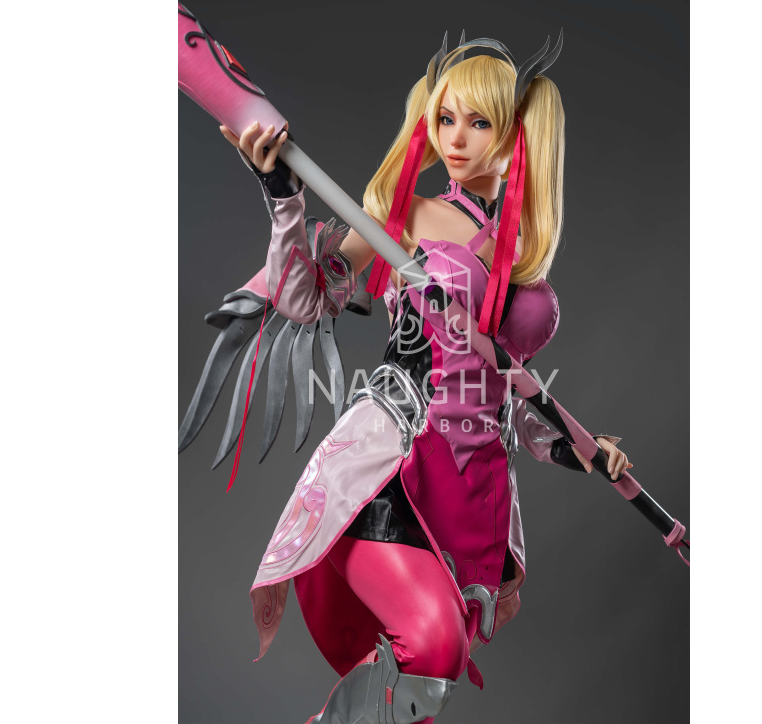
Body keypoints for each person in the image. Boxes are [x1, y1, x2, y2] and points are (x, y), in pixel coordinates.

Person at [218, 39, 629, 724]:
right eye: (446, 119)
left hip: (466, 490)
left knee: (426, 681)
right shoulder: (405, 218)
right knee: (435, 644)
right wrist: (282, 195)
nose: (456, 139)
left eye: (479, 122)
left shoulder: (522, 255)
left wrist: (580, 449)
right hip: (392, 465)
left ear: (515, 134)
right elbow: (305, 296)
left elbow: (507, 391)